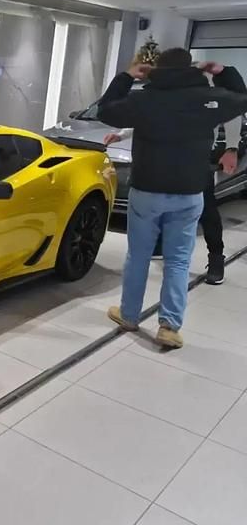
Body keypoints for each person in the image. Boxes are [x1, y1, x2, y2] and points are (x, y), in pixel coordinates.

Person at [96, 49, 247, 349]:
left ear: (157, 71)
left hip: (147, 191)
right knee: (178, 260)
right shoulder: (209, 101)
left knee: (138, 256)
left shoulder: (144, 99)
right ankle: (169, 327)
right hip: (189, 193)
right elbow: (243, 98)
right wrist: (223, 71)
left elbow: (106, 110)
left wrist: (127, 76)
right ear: (192, 69)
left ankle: (128, 315)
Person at [104, 66, 246, 284]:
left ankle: (216, 257)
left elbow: (234, 115)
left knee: (207, 209)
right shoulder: (167, 95)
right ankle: (161, 245)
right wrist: (121, 134)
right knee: (164, 206)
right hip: (168, 160)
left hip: (197, 161)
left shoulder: (205, 95)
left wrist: (231, 149)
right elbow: (148, 117)